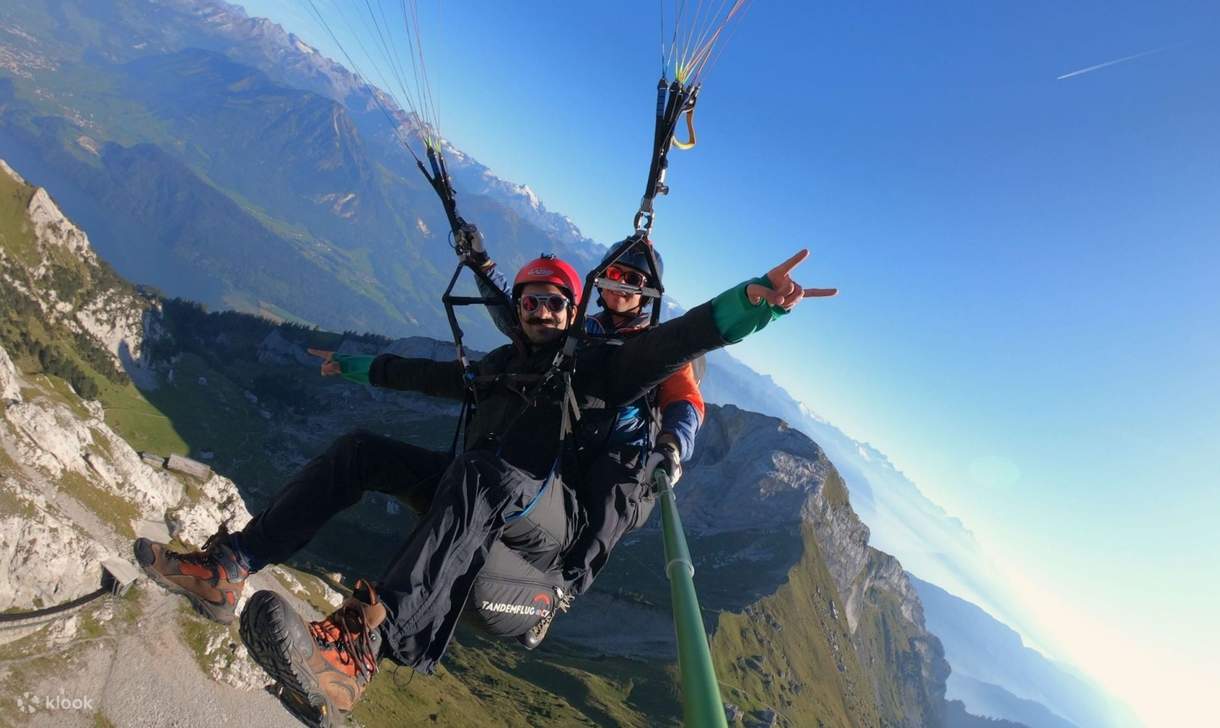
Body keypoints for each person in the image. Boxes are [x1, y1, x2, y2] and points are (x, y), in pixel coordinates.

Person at [133, 248, 834, 726]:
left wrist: (753, 304)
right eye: (531, 299)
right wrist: (357, 368)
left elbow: (676, 342)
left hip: (548, 537)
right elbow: (439, 379)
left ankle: (358, 652)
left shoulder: (604, 366)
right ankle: (229, 569)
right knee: (360, 452)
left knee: (481, 472)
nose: (541, 309)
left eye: (556, 302)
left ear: (576, 312)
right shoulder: (511, 364)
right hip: (495, 497)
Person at [463, 234, 703, 650]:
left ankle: (561, 593)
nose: (620, 285)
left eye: (631, 278)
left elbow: (685, 399)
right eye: (613, 274)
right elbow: (519, 313)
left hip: (622, 451)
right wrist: (484, 267)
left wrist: (673, 446)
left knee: (614, 498)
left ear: (646, 293)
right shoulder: (582, 328)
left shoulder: (657, 348)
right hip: (574, 433)